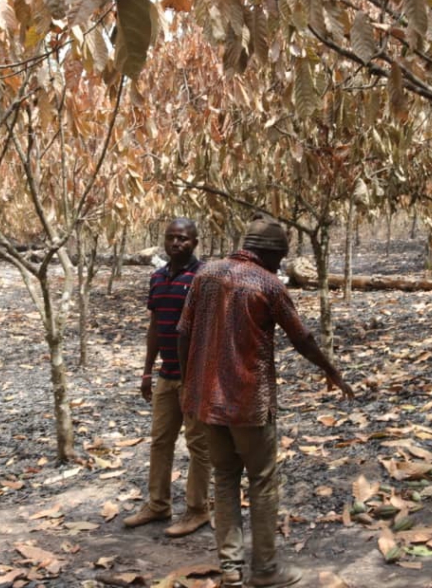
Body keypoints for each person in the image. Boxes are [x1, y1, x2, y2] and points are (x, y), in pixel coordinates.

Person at [177, 215, 354, 588]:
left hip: (207, 400)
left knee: (224, 478)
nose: (281, 265)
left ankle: (230, 570)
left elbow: (183, 333)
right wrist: (330, 369)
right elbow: (301, 337)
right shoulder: (268, 284)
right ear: (271, 254)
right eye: (282, 257)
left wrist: (187, 384)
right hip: (248, 402)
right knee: (261, 481)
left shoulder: (205, 275)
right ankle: (266, 570)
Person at [123, 218, 212, 538]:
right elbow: (155, 327)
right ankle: (158, 504)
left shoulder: (204, 278)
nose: (177, 243)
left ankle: (198, 509)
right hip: (166, 374)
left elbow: (210, 330)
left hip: (195, 377)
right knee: (160, 441)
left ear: (195, 243)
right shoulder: (157, 278)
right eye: (172, 238)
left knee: (198, 445)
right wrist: (147, 370)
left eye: (183, 239)